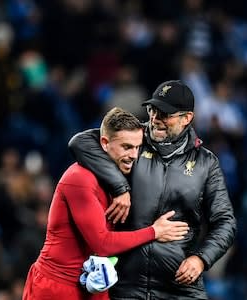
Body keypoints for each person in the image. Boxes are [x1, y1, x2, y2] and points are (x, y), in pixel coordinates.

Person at [69, 80, 237, 299]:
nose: (155, 119)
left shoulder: (206, 163)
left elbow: (225, 222)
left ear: (187, 118)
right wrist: (120, 188)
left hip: (179, 286)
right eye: (152, 110)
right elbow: (80, 142)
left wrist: (201, 259)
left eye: (164, 114)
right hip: (126, 285)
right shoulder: (133, 141)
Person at [22, 107, 190, 300]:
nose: (134, 156)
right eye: (126, 147)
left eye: (137, 147)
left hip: (95, 285)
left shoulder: (121, 176)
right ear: (104, 143)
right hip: (57, 287)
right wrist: (155, 231)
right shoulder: (79, 179)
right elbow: (102, 244)